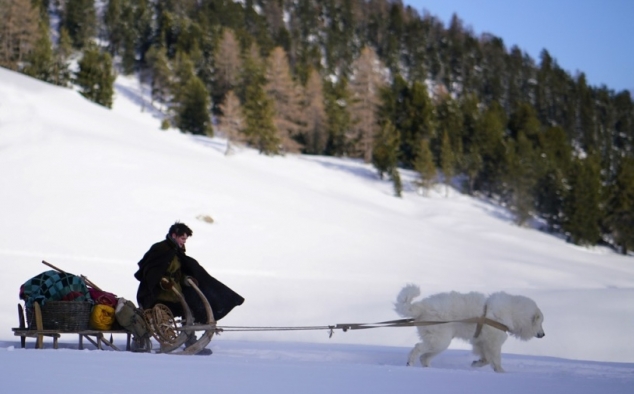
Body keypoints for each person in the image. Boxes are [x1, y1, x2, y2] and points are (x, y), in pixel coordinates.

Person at [134, 222, 244, 326]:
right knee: (172, 313)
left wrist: (186, 279)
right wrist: (162, 281)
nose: (184, 242)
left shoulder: (177, 252)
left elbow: (178, 273)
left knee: (193, 305)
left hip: (176, 294)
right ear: (174, 235)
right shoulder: (160, 249)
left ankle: (189, 336)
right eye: (182, 238)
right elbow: (150, 271)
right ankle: (167, 339)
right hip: (159, 295)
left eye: (185, 239)